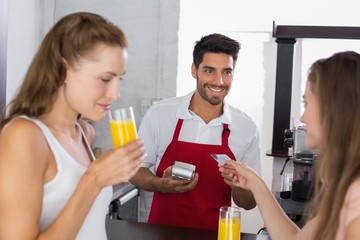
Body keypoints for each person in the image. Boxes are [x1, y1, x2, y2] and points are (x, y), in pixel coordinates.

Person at [0, 12, 146, 239]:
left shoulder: (84, 133)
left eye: (120, 79)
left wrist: (112, 171)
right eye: (105, 79)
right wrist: (93, 180)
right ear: (64, 70)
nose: (116, 94)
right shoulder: (24, 136)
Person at [220, 51, 360, 239]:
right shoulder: (345, 189)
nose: (303, 117)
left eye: (307, 103)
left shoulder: (356, 197)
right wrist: (255, 183)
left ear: (335, 109)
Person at [130, 33, 261, 230]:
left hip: (217, 234)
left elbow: (250, 203)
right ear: (194, 70)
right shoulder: (160, 114)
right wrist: (160, 184)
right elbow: (134, 171)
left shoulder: (245, 127)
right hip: (162, 233)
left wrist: (238, 187)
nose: (219, 81)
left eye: (227, 72)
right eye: (209, 70)